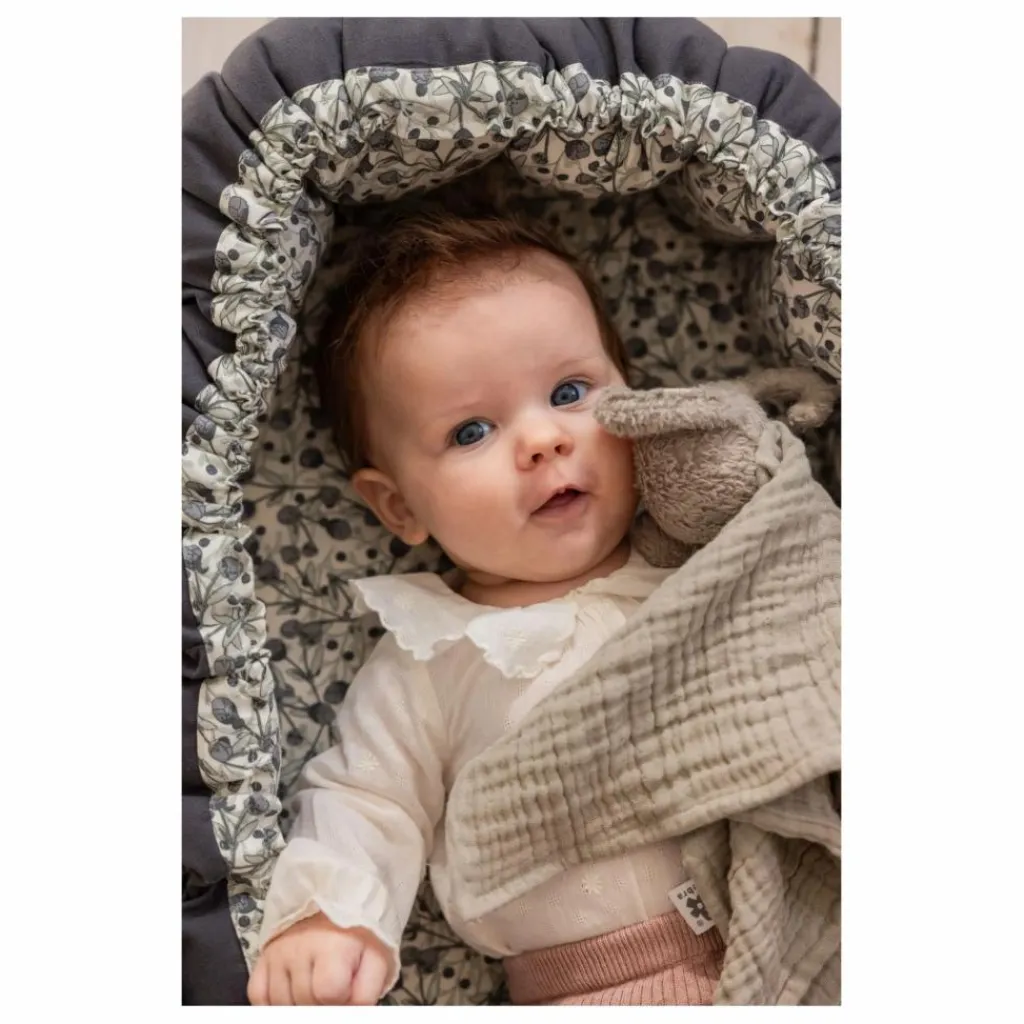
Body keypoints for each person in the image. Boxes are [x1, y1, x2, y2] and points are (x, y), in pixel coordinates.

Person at [247, 213, 724, 1006]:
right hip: (585, 990)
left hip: (801, 930)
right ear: (399, 506)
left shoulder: (708, 559)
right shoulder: (431, 656)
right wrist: (329, 917)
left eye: (570, 392)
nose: (542, 438)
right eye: (472, 431)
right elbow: (369, 799)